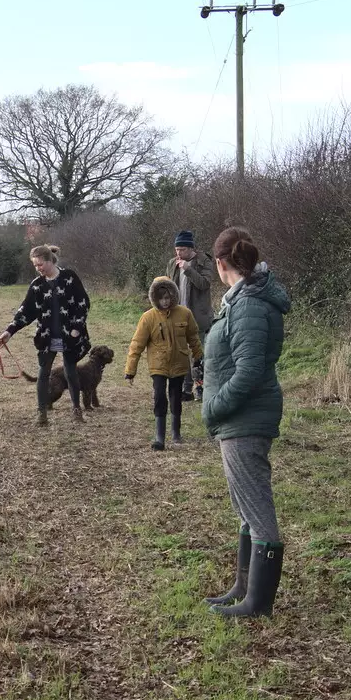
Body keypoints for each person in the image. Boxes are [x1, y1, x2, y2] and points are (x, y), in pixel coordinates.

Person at [201, 226, 291, 619]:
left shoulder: (250, 304)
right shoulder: (241, 299)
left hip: (244, 419)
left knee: (257, 508)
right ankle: (243, 587)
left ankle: (258, 603)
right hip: (236, 421)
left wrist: (213, 407)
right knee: (245, 505)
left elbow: (250, 370)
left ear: (221, 263)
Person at [0, 244, 92, 427]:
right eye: (35, 265)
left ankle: (76, 410)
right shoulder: (37, 285)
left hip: (70, 336)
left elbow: (83, 304)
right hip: (47, 337)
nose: (37, 268)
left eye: (40, 264)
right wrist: (9, 331)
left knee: (70, 371)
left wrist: (76, 329)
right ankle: (42, 414)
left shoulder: (69, 278)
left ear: (49, 261)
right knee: (43, 373)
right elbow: (25, 311)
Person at [124, 276, 203, 450]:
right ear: (155, 298)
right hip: (158, 364)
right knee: (159, 396)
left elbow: (193, 337)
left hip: (179, 363)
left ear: (173, 296)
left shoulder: (185, 313)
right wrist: (130, 370)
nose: (165, 302)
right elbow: (137, 344)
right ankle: (159, 436)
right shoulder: (148, 318)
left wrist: (199, 358)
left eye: (167, 298)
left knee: (176, 397)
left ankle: (176, 433)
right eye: (161, 298)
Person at [166, 230, 214, 400]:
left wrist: (188, 270)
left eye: (182, 250)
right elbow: (168, 287)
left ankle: (200, 389)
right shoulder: (172, 263)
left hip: (199, 317)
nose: (179, 253)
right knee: (181, 354)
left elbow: (204, 284)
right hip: (178, 316)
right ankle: (185, 391)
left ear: (191, 249)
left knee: (198, 354)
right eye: (176, 249)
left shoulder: (204, 261)